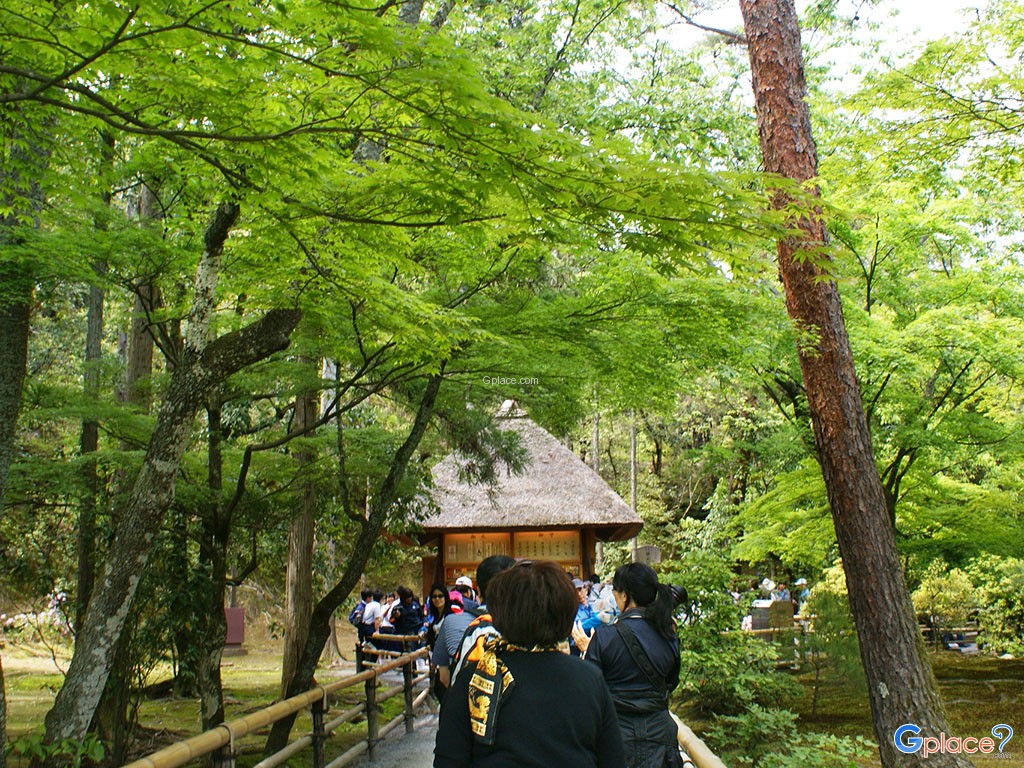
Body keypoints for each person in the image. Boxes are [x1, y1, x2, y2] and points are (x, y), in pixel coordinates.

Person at [434, 560, 625, 768]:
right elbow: (613, 759)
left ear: (500, 613)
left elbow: (449, 759)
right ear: (563, 613)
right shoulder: (589, 678)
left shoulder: (476, 676)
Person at [573, 563, 687, 768]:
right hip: (660, 738)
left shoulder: (604, 638)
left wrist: (586, 651)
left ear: (624, 595)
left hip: (616, 738)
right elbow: (671, 682)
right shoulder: (668, 636)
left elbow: (589, 693)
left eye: (615, 592)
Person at [432, 555, 515, 693]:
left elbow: (444, 678)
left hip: (468, 700)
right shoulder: (527, 627)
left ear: (479, 590)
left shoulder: (451, 622)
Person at [571, 578, 602, 656]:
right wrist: (597, 619)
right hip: (577, 649)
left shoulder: (592, 606)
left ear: (586, 590)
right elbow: (577, 628)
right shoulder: (573, 610)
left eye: (580, 590)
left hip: (596, 646)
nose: (579, 594)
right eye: (575, 592)